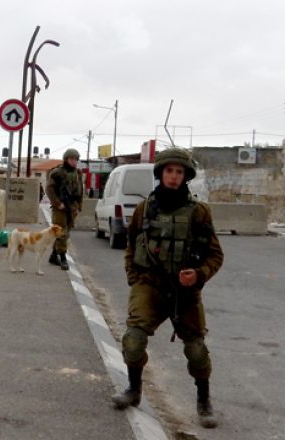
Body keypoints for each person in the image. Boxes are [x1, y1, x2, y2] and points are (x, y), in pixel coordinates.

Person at [111, 148, 224, 429]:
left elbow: (215, 255)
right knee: (133, 340)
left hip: (184, 290)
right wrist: (134, 279)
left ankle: (204, 401)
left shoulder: (199, 212)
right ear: (161, 173)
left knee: (196, 350)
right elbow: (130, 246)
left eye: (179, 172)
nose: (174, 176)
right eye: (169, 171)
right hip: (150, 286)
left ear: (186, 176)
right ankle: (134, 389)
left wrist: (197, 275)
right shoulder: (144, 209)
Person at [45, 148, 84, 270]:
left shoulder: (78, 173)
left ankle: (53, 255)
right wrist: (57, 203)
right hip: (60, 207)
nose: (74, 162)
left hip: (72, 206)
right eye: (71, 159)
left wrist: (79, 205)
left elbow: (80, 190)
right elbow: (49, 189)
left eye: (76, 159)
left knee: (66, 233)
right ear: (66, 159)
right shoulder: (57, 172)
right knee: (62, 232)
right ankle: (63, 258)